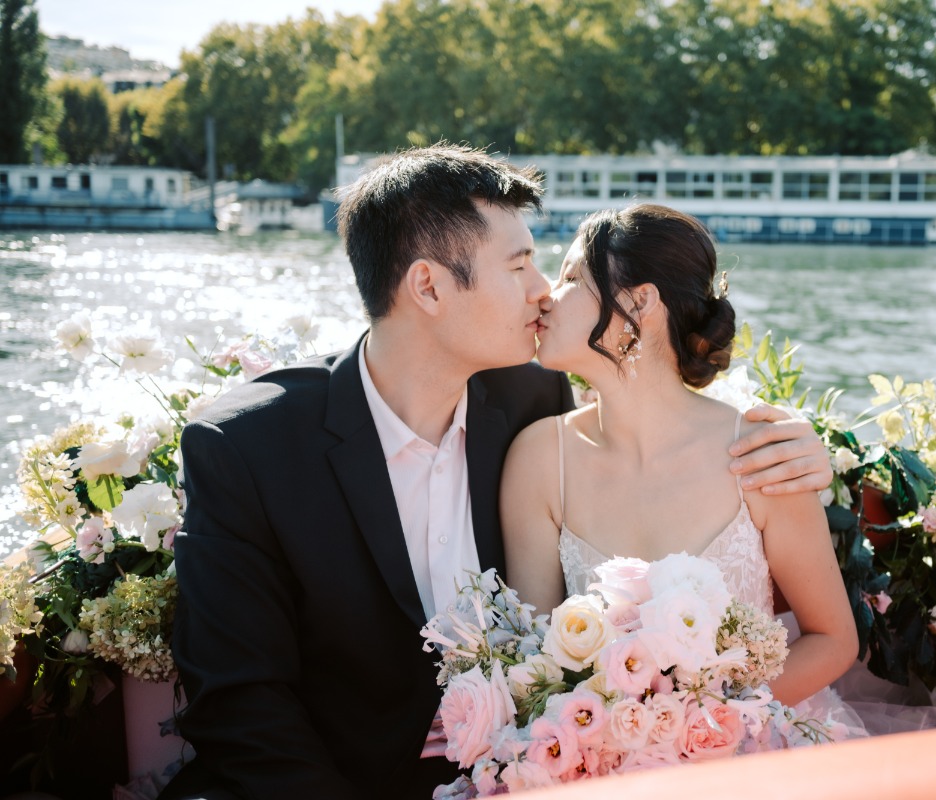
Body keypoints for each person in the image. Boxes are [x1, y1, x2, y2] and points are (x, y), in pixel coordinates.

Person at [162, 146, 834, 800]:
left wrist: (807, 448)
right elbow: (240, 704)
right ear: (428, 286)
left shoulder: (527, 401)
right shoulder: (248, 447)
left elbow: (651, 427)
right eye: (520, 266)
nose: (544, 293)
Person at [502, 203, 863, 717]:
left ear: (640, 301)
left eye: (571, 278)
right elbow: (535, 661)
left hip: (751, 740)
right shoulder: (539, 460)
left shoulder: (760, 452)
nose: (545, 297)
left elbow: (832, 639)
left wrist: (700, 730)